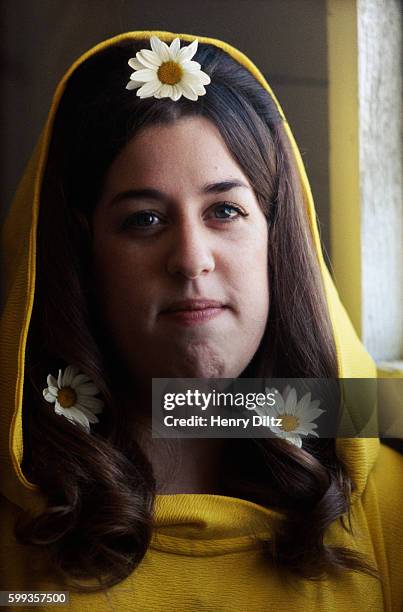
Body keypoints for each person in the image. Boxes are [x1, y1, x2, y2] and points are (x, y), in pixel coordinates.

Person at [0, 30, 402, 611]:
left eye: (225, 210)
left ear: (277, 238)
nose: (190, 259)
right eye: (143, 219)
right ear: (82, 256)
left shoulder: (379, 491)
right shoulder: (20, 521)